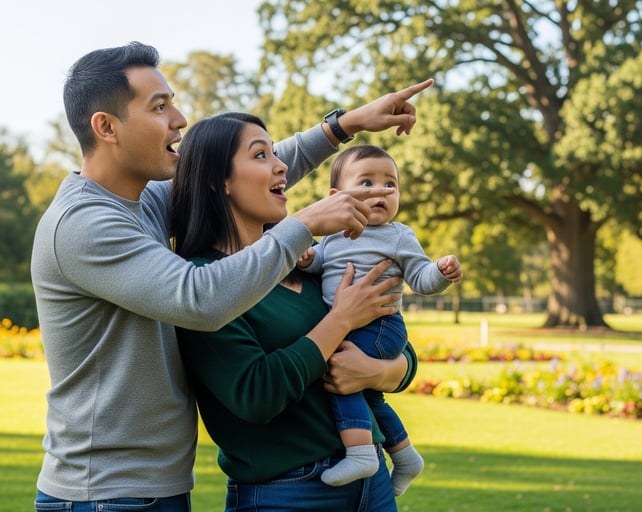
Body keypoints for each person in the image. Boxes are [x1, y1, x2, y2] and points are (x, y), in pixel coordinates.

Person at [30, 40, 432, 511]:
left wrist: (344, 126)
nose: (179, 120)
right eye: (160, 107)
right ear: (106, 127)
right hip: (103, 493)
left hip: (153, 486)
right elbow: (199, 299)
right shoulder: (83, 223)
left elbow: (245, 171)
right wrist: (304, 226)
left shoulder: (146, 201)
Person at [171, 113, 420, 512]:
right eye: (261, 155)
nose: (282, 165)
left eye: (275, 152)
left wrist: (379, 372)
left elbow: (397, 348)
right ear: (220, 181)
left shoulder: (304, 264)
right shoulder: (202, 284)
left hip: (371, 484)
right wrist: (340, 321)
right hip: (287, 492)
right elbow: (256, 394)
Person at [298, 144, 463, 493]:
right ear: (336, 196)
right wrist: (306, 258)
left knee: (337, 367)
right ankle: (405, 456)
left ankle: (361, 453)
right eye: (367, 182)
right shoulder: (331, 236)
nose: (380, 191)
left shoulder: (398, 236)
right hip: (352, 323)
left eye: (390, 184)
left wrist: (441, 272)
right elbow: (321, 266)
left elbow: (420, 278)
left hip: (380, 325)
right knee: (370, 396)